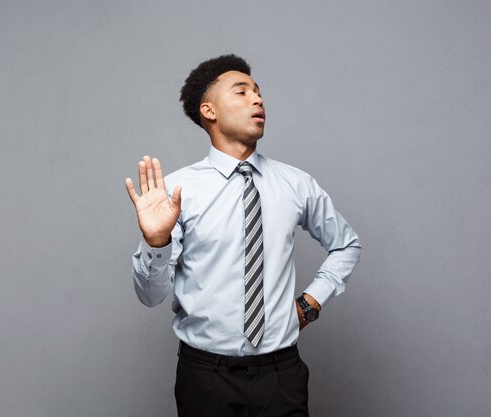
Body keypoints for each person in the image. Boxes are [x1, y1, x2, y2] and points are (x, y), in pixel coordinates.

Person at [125, 54, 361, 417]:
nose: (258, 99)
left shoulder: (295, 183)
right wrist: (157, 243)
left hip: (282, 374)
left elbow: (346, 244)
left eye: (258, 92)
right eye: (242, 92)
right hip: (205, 377)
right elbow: (150, 296)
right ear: (209, 111)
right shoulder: (176, 191)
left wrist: (310, 304)